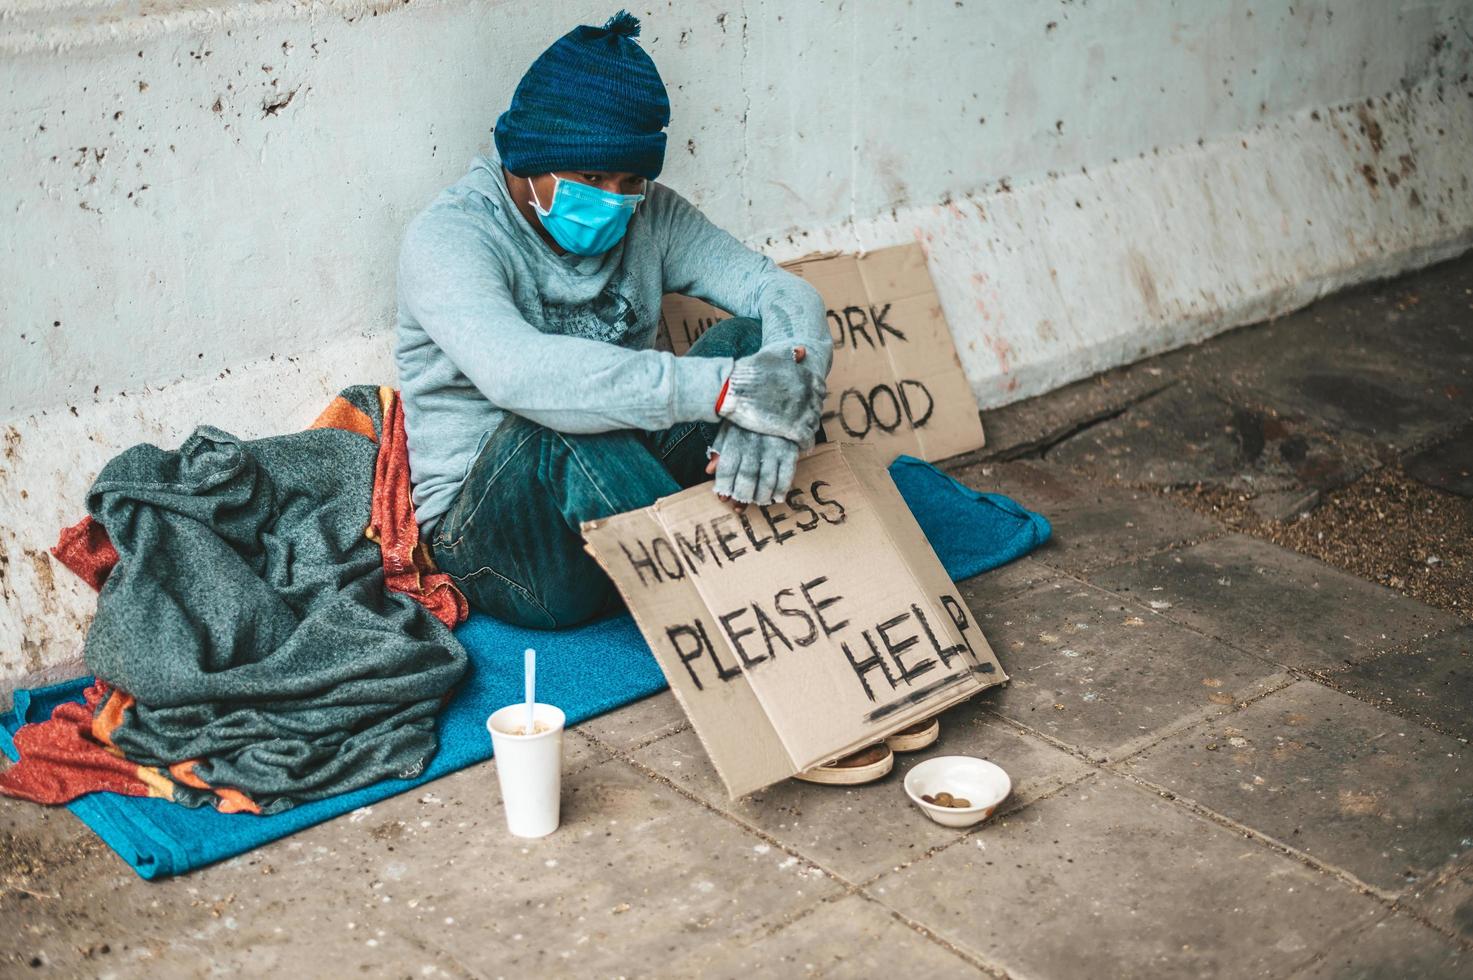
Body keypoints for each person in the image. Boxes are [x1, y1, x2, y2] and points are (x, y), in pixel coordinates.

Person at [395, 10, 934, 783]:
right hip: (499, 547)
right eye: (590, 180)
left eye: (629, 182)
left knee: (753, 334)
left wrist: (773, 406)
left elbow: (781, 295)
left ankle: (763, 594)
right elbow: (523, 377)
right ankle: (786, 669)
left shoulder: (651, 213)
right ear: (529, 158)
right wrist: (725, 390)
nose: (614, 202)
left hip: (619, 505)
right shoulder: (450, 239)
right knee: (565, 418)